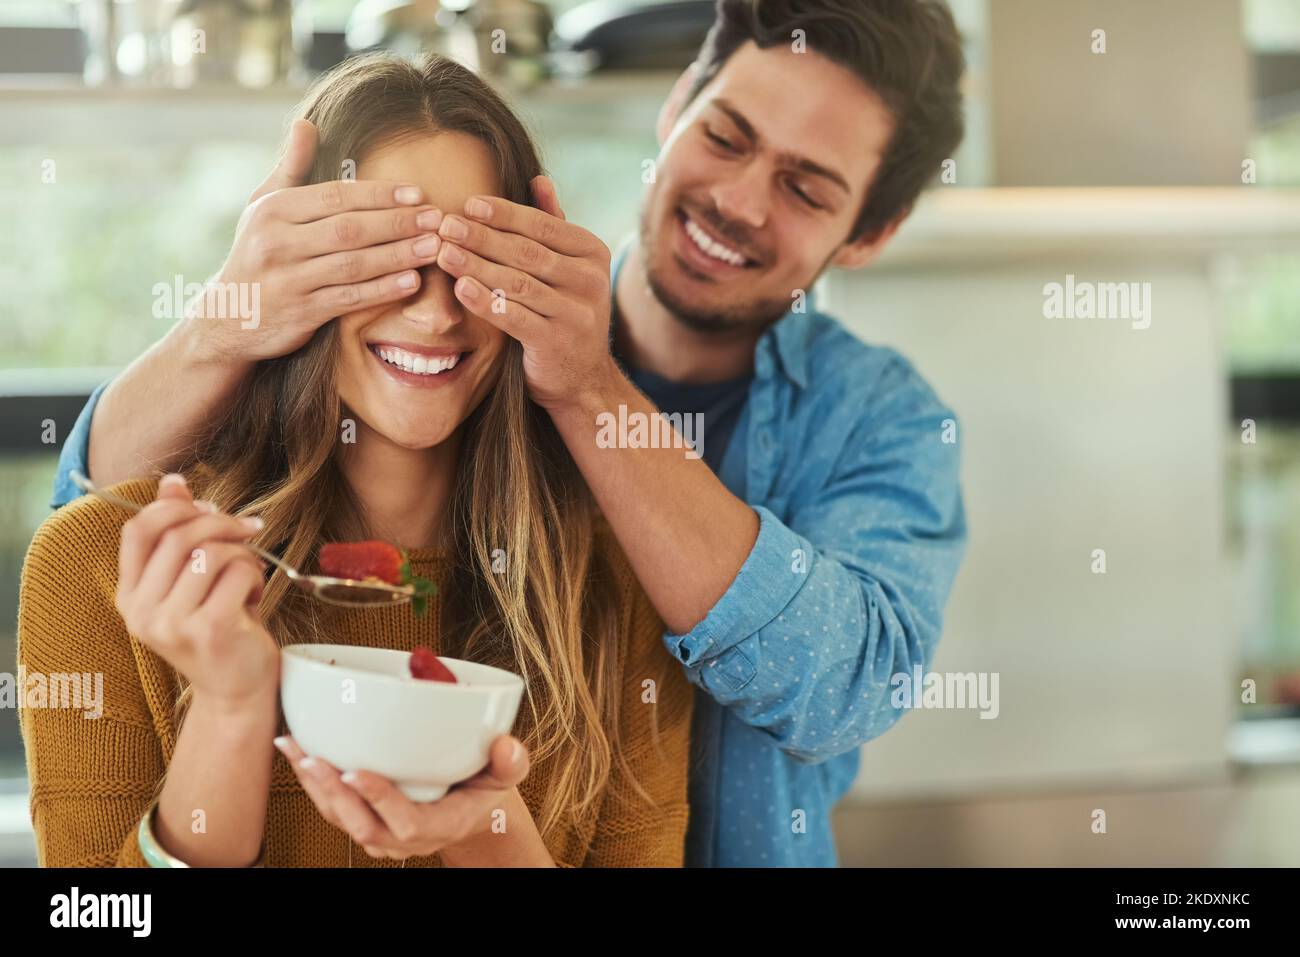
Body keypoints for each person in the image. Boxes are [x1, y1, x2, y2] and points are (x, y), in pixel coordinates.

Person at [51, 0, 969, 867]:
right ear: (680, 100)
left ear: (869, 233)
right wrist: (225, 322)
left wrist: (587, 388)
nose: (738, 199)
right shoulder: (511, 313)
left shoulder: (870, 425)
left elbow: (842, 686)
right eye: (726, 135)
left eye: (806, 188)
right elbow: (92, 537)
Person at [20, 52, 692, 868]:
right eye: (387, 255)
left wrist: (481, 825)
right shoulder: (101, 567)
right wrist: (231, 711)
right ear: (297, 265)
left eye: (475, 263)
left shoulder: (611, 581)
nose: (437, 311)